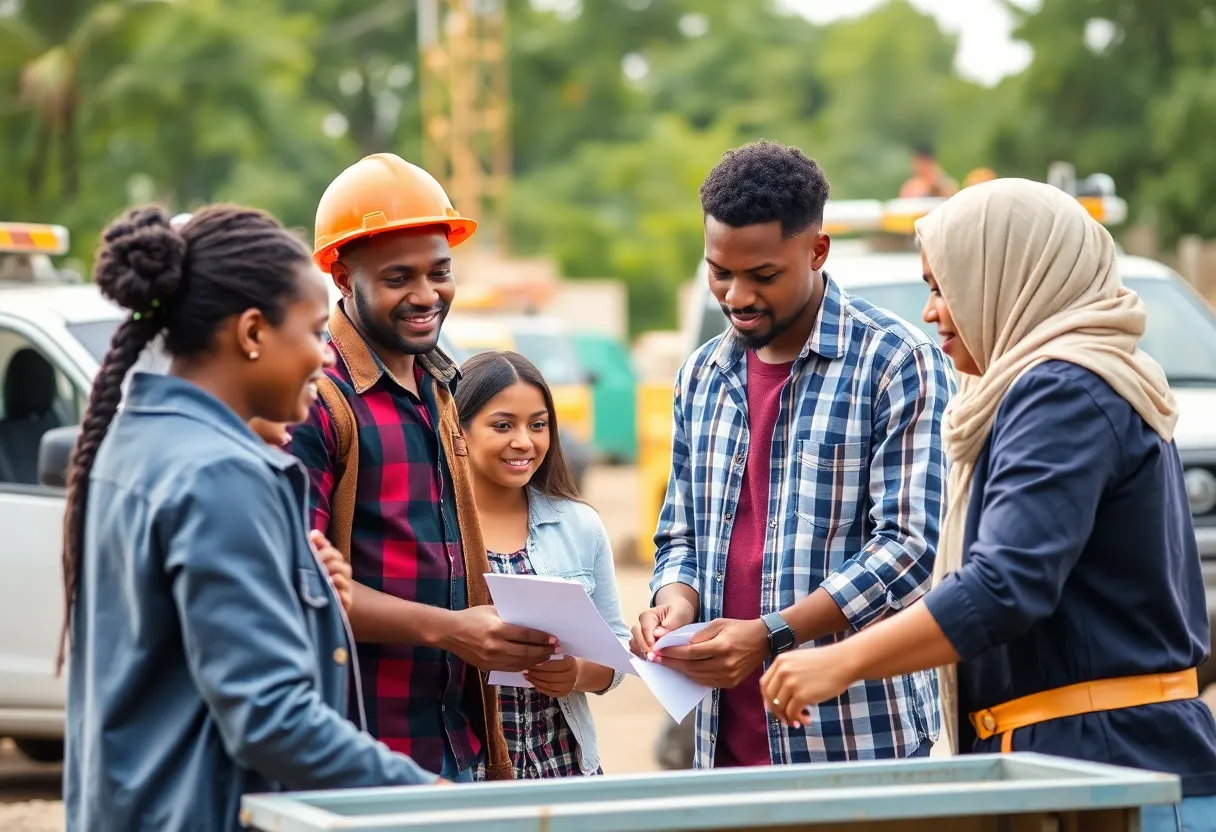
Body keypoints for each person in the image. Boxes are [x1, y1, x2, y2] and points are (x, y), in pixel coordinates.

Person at [759, 179, 1216, 830]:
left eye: (944, 287)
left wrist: (841, 661)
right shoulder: (1061, 384)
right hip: (1089, 763)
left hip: (1107, 773)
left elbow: (1004, 585)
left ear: (1008, 279)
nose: (931, 312)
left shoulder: (1062, 388)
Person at [62, 205, 439, 832]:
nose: (324, 358)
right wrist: (426, 795)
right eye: (317, 331)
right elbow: (271, 717)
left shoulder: (137, 441)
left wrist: (301, 590)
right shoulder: (221, 474)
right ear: (253, 333)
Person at [631, 140, 952, 769]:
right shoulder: (701, 374)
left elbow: (910, 548)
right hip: (721, 743)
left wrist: (772, 633)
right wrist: (675, 602)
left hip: (856, 743)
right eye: (719, 271)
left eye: (763, 275)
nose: (737, 296)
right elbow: (681, 534)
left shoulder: (895, 363)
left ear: (817, 250)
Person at [287, 153, 556, 783]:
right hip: (365, 748)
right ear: (343, 280)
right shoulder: (316, 403)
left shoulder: (440, 386)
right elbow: (303, 585)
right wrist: (452, 630)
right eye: (398, 278)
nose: (426, 295)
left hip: (457, 743)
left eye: (440, 272)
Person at [454, 351, 628, 778]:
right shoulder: (436, 529)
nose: (524, 442)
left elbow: (618, 651)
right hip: (466, 776)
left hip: (564, 769)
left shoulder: (579, 524)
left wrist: (578, 674)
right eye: (502, 425)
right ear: (457, 430)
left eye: (538, 424)